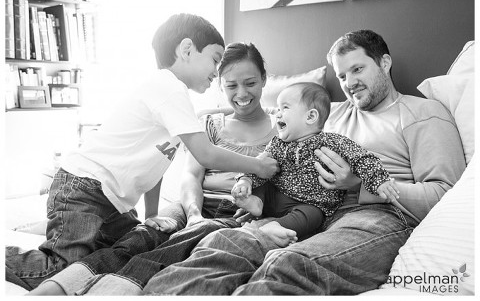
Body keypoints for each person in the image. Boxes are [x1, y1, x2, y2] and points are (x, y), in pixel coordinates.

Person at [139, 29, 466, 295]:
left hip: (377, 216)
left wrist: (360, 184)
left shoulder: (422, 114)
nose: (349, 82)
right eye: (341, 75)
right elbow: (277, 143)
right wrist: (252, 190)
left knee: (287, 265)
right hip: (310, 212)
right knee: (227, 242)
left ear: (384, 62)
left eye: (358, 69)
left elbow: (443, 197)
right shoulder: (330, 114)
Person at [5, 15, 279, 291]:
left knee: (130, 244)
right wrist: (257, 165)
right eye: (215, 59)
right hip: (85, 187)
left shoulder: (176, 97)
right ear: (186, 50)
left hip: (113, 201)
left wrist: (151, 214)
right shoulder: (168, 89)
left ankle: (58, 231)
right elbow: (206, 154)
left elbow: (156, 165)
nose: (216, 70)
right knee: (63, 268)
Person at [232, 82, 399, 245]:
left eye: (285, 108)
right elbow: (259, 164)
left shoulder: (332, 142)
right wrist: (245, 180)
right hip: (274, 195)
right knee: (263, 175)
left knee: (314, 215)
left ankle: (278, 226)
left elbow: (362, 158)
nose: (277, 113)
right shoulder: (277, 143)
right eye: (277, 108)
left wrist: (379, 181)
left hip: (307, 203)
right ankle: (256, 203)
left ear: (310, 116)